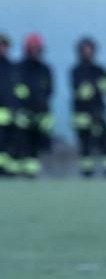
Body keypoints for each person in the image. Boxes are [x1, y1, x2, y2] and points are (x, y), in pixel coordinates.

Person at [70, 37, 106, 177]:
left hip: (99, 112)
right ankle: (86, 171)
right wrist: (96, 86)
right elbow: (82, 93)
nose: (87, 52)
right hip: (82, 115)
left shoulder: (100, 69)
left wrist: (92, 87)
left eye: (89, 49)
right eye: (85, 50)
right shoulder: (76, 70)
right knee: (85, 145)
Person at [16, 33, 53, 179]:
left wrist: (43, 111)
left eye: (37, 48)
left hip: (40, 112)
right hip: (23, 112)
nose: (34, 51)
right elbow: (15, 89)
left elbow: (49, 90)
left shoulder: (45, 69)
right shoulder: (19, 68)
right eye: (32, 48)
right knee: (21, 142)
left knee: (37, 145)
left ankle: (32, 172)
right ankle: (16, 170)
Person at [0, 33, 16, 176]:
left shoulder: (12, 68)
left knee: (9, 144)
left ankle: (7, 170)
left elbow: (16, 92)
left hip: (10, 115)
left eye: (4, 45)